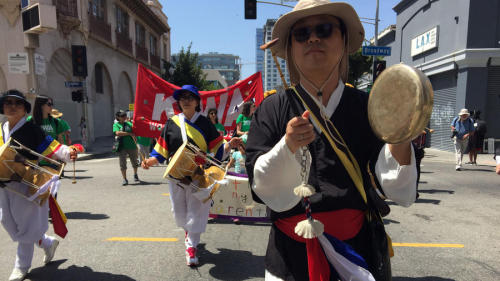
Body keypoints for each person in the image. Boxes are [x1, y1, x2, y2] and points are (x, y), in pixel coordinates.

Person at [245, 1, 417, 280]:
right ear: (290, 47)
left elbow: (397, 189)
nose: (313, 38)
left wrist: (400, 135)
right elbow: (260, 186)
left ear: (343, 38)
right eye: (302, 34)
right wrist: (287, 147)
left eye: (324, 29)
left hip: (355, 253)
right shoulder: (272, 108)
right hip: (288, 258)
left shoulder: (367, 107)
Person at [141, 85, 240, 266]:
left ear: (197, 102)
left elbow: (217, 149)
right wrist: (149, 162)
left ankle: (191, 246)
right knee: (180, 212)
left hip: (199, 176)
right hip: (177, 175)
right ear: (179, 102)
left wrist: (229, 145)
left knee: (197, 211)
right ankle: (189, 234)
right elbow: (161, 151)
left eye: (190, 97)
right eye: (183, 97)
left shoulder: (205, 123)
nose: (186, 100)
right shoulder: (171, 123)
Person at [0, 90, 78, 281]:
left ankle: (21, 266)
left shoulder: (31, 129)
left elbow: (52, 146)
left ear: (25, 109)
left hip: (25, 183)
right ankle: (47, 243)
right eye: (8, 102)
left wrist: (68, 152)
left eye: (17, 103)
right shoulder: (1, 129)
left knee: (25, 225)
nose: (12, 106)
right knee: (7, 221)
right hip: (3, 184)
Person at [113, 110, 139, 185]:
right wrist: (129, 133)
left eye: (125, 115)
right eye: (122, 116)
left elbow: (135, 130)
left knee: (134, 161)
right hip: (122, 146)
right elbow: (117, 133)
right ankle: (124, 179)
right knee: (122, 163)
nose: (124, 117)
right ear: (118, 117)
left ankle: (135, 174)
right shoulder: (116, 125)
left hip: (132, 145)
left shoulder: (129, 123)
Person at [412, 128, 433, 199]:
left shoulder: (420, 126)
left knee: (415, 170)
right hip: (407, 150)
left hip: (417, 150)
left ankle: (414, 190)